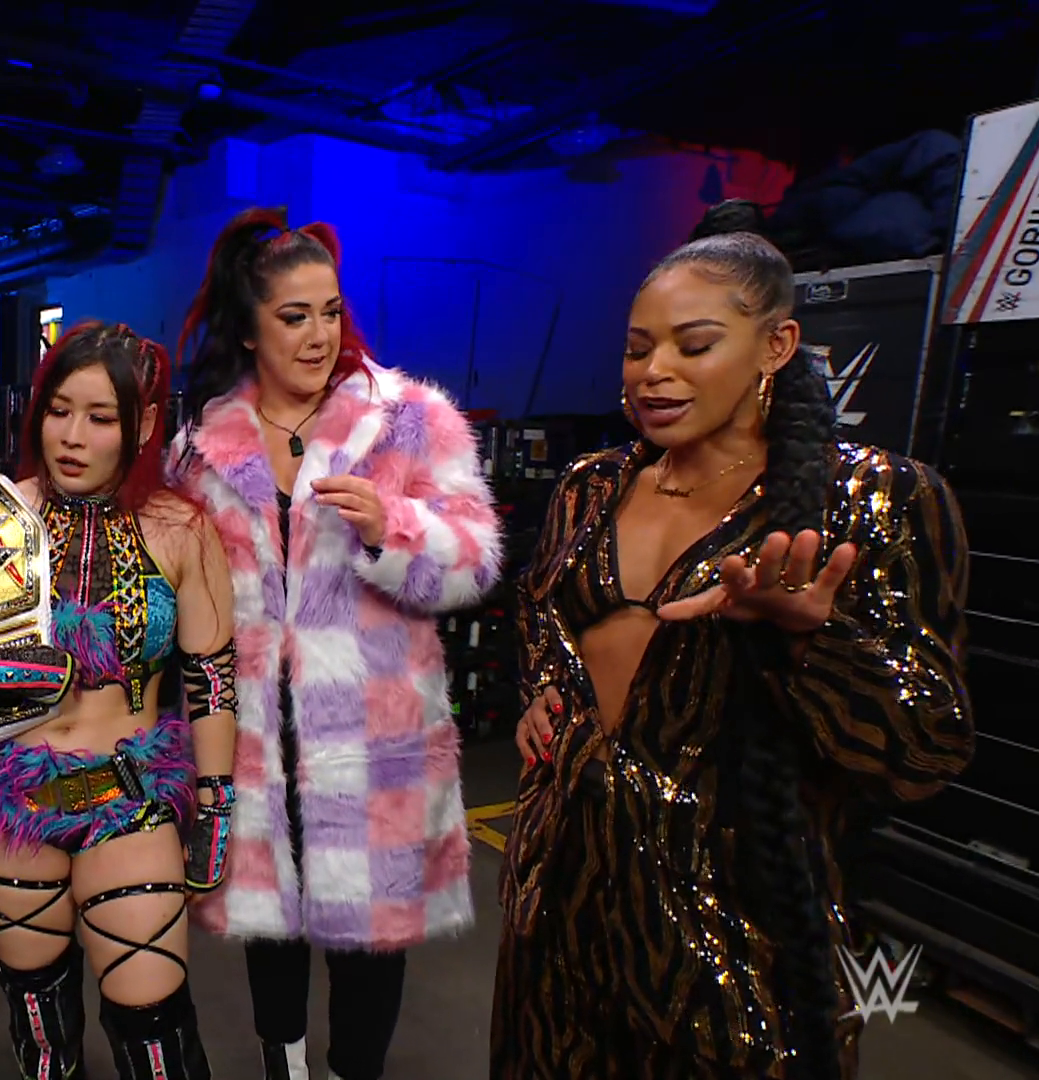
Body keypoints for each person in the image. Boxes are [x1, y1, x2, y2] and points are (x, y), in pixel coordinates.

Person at [493, 232, 975, 1079]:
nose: (654, 372)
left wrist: (810, 639)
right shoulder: (591, 485)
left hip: (731, 946)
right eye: (638, 349)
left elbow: (926, 748)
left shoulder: (871, 498)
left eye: (694, 345)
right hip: (556, 913)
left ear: (776, 346)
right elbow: (542, 609)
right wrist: (547, 687)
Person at [168, 208, 503, 1080]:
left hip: (375, 741)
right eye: (294, 317)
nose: (319, 335)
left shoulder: (407, 420)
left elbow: (477, 561)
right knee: (271, 934)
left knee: (370, 945)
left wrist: (393, 528)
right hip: (251, 738)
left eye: (329, 311)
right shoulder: (201, 448)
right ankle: (283, 1068)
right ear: (249, 329)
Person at [0, 320, 237, 1080]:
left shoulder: (182, 529)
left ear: (143, 423)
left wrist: (217, 803)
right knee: (41, 1028)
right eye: (58, 411)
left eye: (100, 418)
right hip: (12, 803)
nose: (72, 437)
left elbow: (210, 679)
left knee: (155, 1029)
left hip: (129, 796)